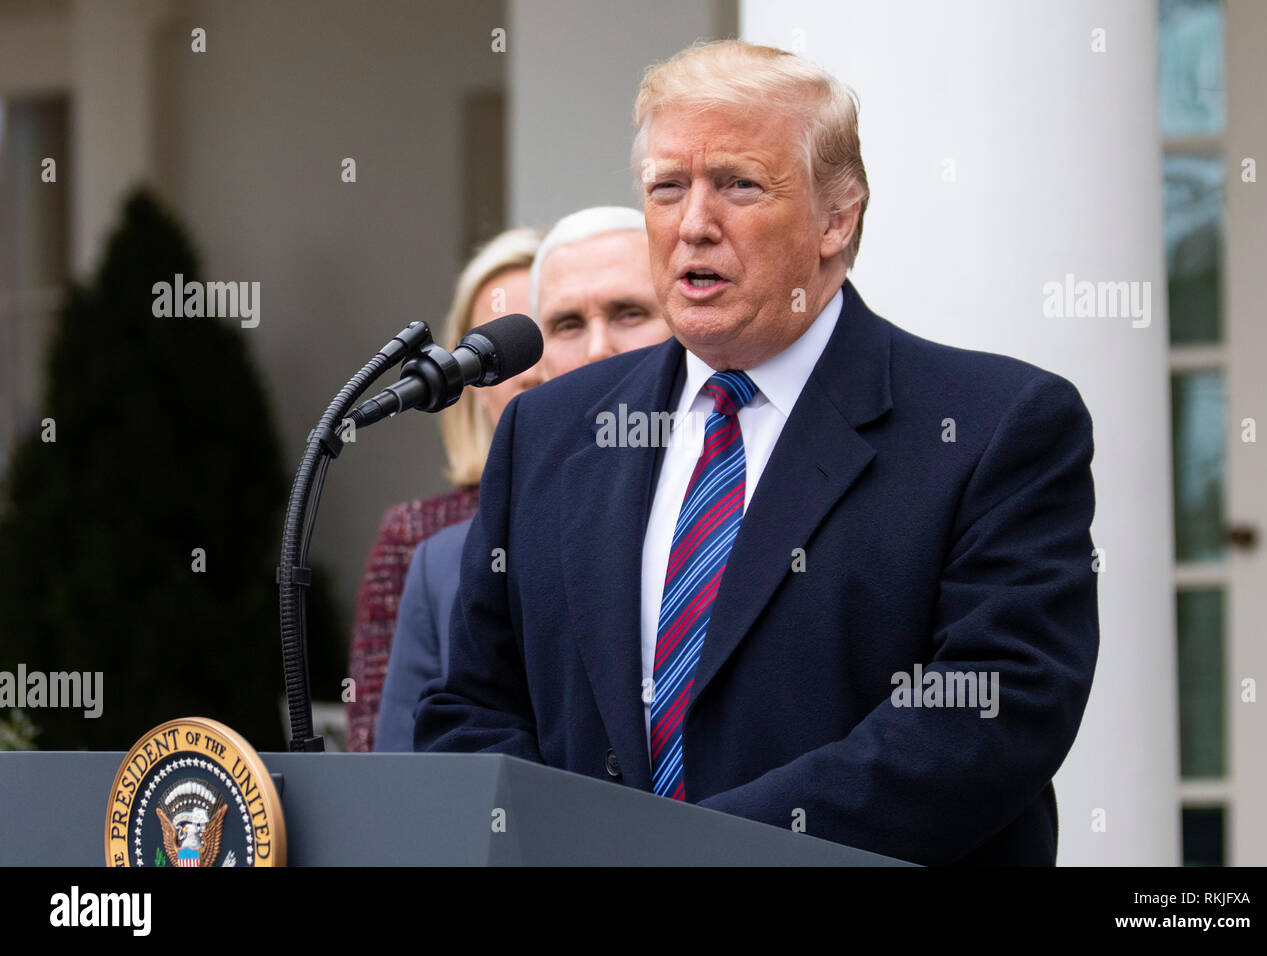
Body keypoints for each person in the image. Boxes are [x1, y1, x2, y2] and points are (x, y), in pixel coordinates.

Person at [414, 41, 1099, 866]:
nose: (693, 223)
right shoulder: (549, 432)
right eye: (668, 188)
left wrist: (691, 852)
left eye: (739, 185)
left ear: (835, 219)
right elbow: (472, 711)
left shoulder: (994, 426)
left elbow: (992, 713)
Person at [374, 207, 671, 751]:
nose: (599, 347)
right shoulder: (447, 556)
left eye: (629, 312)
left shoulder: (730, 496)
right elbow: (410, 764)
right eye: (567, 325)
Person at [345, 228, 543, 753]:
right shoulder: (417, 537)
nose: (531, 374)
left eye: (548, 334)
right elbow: (380, 748)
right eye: (502, 358)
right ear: (470, 388)